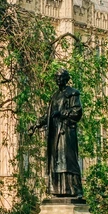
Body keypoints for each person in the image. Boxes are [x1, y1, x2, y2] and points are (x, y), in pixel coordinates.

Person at [30, 69, 84, 200]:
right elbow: (49, 115)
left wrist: (62, 113)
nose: (58, 80)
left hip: (66, 132)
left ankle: (75, 190)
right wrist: (37, 124)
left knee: (69, 160)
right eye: (56, 78)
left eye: (60, 77)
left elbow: (77, 112)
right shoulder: (54, 96)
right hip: (55, 133)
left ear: (66, 79)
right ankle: (59, 189)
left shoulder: (72, 93)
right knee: (57, 162)